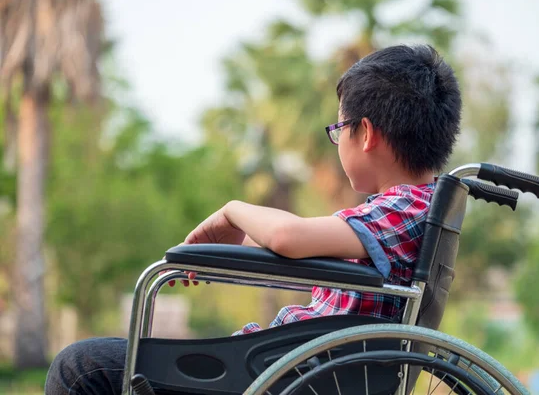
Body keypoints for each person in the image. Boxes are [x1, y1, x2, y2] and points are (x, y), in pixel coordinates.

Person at [45, 43, 462, 394]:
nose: (337, 139)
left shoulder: (404, 208)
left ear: (365, 133)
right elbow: (310, 251)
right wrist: (235, 248)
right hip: (296, 367)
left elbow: (288, 236)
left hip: (288, 374)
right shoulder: (415, 207)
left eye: (338, 128)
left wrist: (233, 211)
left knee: (80, 368)